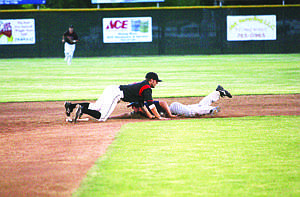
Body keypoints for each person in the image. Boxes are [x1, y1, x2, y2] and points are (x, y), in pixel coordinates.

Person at [64, 72, 169, 122]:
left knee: (95, 107)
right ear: (151, 80)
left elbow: (142, 105)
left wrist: (150, 117)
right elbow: (151, 105)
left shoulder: (143, 85)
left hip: (112, 89)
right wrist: (159, 117)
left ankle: (71, 106)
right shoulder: (147, 88)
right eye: (156, 81)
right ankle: (82, 109)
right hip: (116, 94)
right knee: (102, 117)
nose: (157, 83)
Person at [109, 85, 232, 119]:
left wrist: (170, 114)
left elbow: (162, 103)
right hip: (178, 107)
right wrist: (109, 117)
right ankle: (217, 93)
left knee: (192, 112)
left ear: (137, 106)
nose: (133, 109)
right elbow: (125, 115)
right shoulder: (139, 112)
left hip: (174, 107)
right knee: (198, 106)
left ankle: (210, 110)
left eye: (133, 107)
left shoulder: (145, 106)